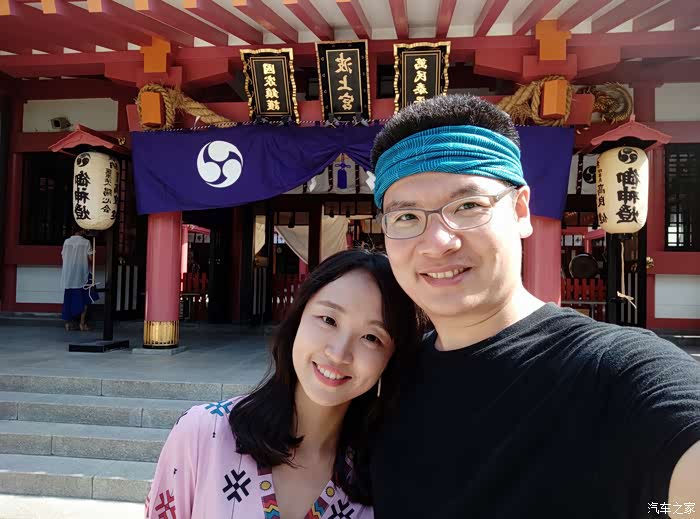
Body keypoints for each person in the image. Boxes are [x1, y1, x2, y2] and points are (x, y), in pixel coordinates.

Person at [368, 94, 700, 519]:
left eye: (468, 206)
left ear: (521, 210)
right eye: (406, 217)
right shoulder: (391, 377)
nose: (437, 242)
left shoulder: (611, 371)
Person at [145, 249, 421, 519]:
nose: (339, 353)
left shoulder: (382, 480)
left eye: (371, 338)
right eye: (328, 320)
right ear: (298, 317)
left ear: (391, 358)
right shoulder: (204, 435)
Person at [60, 223, 97, 331]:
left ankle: (67, 324)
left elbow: (63, 256)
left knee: (68, 299)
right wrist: (93, 253)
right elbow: (91, 259)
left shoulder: (66, 242)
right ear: (82, 230)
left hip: (69, 275)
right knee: (84, 299)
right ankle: (82, 323)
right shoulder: (86, 242)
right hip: (81, 274)